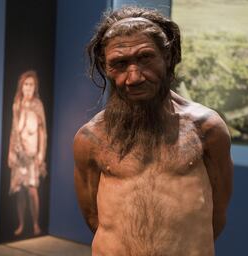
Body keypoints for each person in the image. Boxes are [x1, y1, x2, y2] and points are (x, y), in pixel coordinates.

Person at [74, 6, 233, 256]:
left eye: (145, 57)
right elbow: (92, 216)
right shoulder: (91, 138)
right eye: (120, 64)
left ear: (167, 57)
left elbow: (217, 213)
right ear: (106, 68)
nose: (134, 77)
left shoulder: (206, 128)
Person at [8, 70, 47, 236]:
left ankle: (36, 223)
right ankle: (22, 224)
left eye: (31, 85)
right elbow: (13, 130)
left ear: (34, 87)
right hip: (19, 153)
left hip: (32, 154)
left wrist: (41, 154)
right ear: (22, 86)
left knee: (32, 190)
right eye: (26, 84)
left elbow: (43, 132)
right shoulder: (17, 104)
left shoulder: (38, 105)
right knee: (20, 191)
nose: (28, 87)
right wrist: (10, 152)